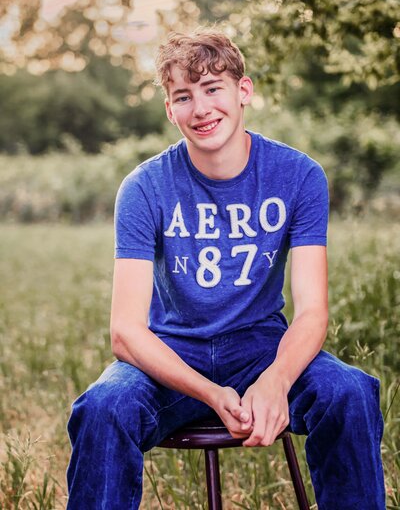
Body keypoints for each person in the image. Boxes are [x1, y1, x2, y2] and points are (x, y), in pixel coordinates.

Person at [66, 29, 385, 509]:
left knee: (350, 392)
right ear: (170, 110)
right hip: (174, 356)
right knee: (103, 406)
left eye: (213, 88)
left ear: (244, 91)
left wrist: (276, 380)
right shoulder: (143, 187)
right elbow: (126, 334)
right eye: (183, 96)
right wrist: (213, 393)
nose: (201, 109)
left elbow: (312, 311)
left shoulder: (299, 176)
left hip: (262, 347)